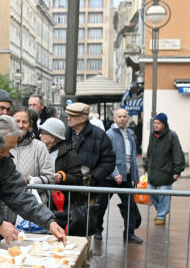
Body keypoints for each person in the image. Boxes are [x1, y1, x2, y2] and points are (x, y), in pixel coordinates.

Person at [0, 116, 67, 243]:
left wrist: (49, 221)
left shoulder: (4, 161)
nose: (7, 154)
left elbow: (19, 195)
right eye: (5, 148)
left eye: (10, 149)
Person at [94, 109, 142, 243]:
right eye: (119, 116)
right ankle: (98, 230)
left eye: (124, 116)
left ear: (127, 119)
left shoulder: (130, 134)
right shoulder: (108, 134)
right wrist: (115, 173)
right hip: (109, 178)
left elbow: (132, 157)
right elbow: (106, 157)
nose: (122, 118)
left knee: (130, 206)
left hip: (126, 178)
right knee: (101, 205)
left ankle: (130, 234)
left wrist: (135, 175)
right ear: (114, 119)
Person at [143, 113, 186, 225]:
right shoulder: (153, 135)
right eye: (154, 123)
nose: (155, 125)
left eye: (158, 123)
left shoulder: (172, 135)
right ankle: (160, 212)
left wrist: (178, 171)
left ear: (164, 124)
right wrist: (146, 166)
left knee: (164, 195)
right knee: (150, 192)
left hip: (166, 171)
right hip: (153, 170)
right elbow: (149, 152)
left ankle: (161, 216)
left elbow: (178, 154)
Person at [65, 102, 115, 186]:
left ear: (83, 119)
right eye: (68, 115)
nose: (68, 118)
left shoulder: (100, 135)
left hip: (88, 190)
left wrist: (93, 179)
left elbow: (109, 161)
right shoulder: (65, 134)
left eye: (72, 116)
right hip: (66, 187)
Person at [9, 107, 55, 187]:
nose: (20, 125)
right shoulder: (3, 146)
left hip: (33, 198)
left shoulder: (39, 147)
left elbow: (50, 178)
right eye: (17, 121)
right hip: (8, 198)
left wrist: (28, 180)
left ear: (30, 124)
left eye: (24, 122)